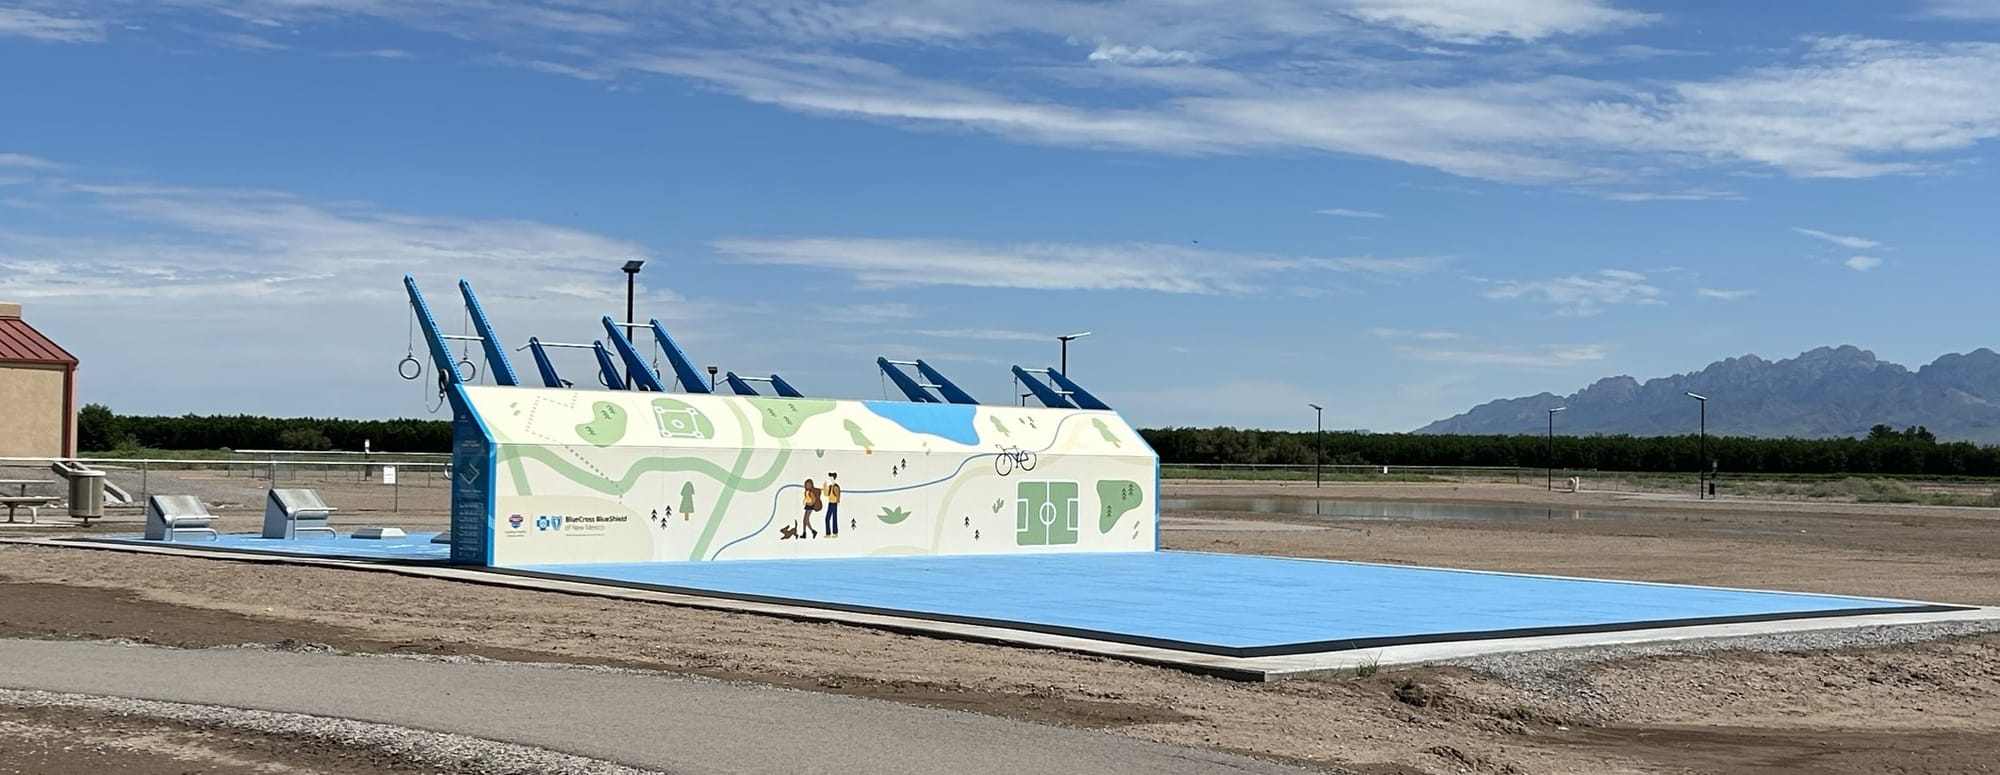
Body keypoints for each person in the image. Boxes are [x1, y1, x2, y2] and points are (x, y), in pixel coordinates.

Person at [823, 472, 841, 538]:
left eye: (831, 477)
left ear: (834, 478)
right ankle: (828, 533)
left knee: (834, 518)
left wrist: (838, 501)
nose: (830, 479)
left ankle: (835, 533)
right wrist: (824, 486)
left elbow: (838, 495)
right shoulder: (830, 486)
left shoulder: (836, 487)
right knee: (827, 518)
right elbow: (826, 494)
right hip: (830, 503)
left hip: (834, 503)